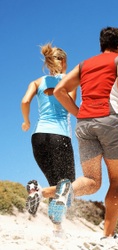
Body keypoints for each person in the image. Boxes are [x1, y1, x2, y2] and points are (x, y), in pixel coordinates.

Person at [53, 26, 118, 239]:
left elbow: (59, 91)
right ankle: (107, 237)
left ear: (101, 45)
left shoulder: (84, 65)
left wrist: (79, 113)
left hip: (84, 125)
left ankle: (60, 192)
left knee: (91, 181)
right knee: (117, 181)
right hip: (109, 120)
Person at [21, 43, 76, 235]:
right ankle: (39, 193)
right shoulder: (69, 81)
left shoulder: (36, 82)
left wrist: (26, 121)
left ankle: (57, 229)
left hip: (38, 137)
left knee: (57, 184)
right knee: (67, 183)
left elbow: (25, 101)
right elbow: (70, 105)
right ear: (64, 62)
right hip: (59, 137)